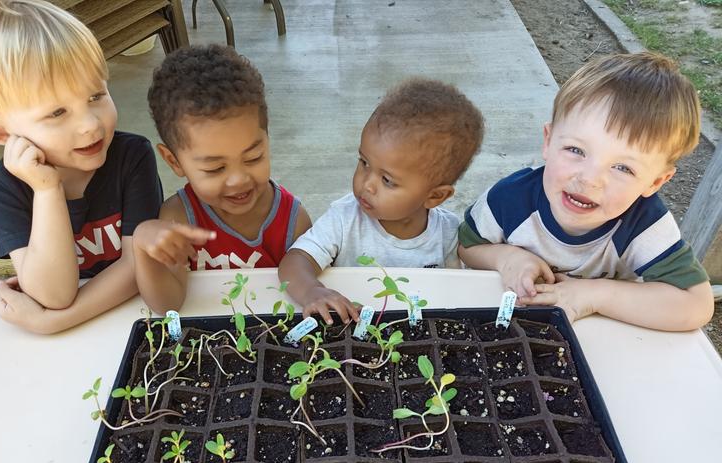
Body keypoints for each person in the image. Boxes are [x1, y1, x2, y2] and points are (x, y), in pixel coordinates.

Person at [0, 0, 162, 334]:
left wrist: (51, 322)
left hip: (136, 317)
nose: (90, 125)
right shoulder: (3, 189)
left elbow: (140, 266)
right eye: (57, 113)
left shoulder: (132, 157)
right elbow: (54, 294)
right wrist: (47, 190)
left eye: (96, 96)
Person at [458, 52, 714, 331]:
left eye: (623, 168)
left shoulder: (645, 225)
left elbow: (696, 304)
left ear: (655, 182)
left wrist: (594, 295)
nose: (590, 179)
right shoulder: (509, 199)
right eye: (575, 150)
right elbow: (468, 246)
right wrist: (507, 258)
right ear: (548, 140)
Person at [278, 78, 484, 325]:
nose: (366, 184)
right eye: (364, 163)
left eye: (387, 180)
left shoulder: (448, 234)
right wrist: (312, 291)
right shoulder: (345, 219)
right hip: (349, 331)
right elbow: (295, 260)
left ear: (434, 196)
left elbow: (458, 294)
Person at [133, 44, 311, 314]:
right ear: (174, 161)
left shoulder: (293, 221)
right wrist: (142, 247)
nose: (238, 180)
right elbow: (168, 304)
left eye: (253, 157)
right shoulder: (177, 218)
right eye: (215, 168)